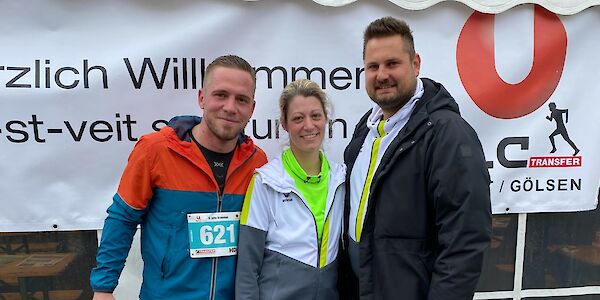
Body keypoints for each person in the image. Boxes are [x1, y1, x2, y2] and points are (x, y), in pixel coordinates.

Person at [89, 55, 268, 300]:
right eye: (221, 95)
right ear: (201, 98)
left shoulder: (257, 162)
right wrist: (103, 289)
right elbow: (122, 219)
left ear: (252, 108)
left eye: (242, 99)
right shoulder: (155, 150)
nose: (230, 107)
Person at [340, 17, 492, 299]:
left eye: (392, 63)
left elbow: (465, 241)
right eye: (373, 67)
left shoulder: (447, 134)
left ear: (416, 64)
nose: (381, 75)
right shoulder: (367, 129)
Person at [235, 79, 346, 300]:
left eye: (316, 116)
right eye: (298, 118)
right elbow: (247, 270)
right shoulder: (265, 181)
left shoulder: (341, 179)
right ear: (284, 124)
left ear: (326, 119)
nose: (308, 125)